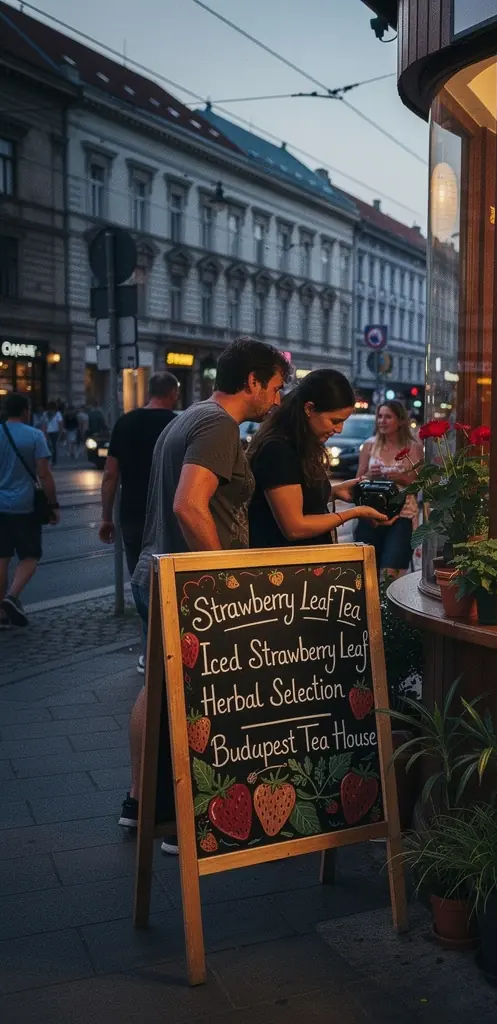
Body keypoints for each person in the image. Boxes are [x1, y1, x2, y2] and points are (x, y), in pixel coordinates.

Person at [119, 338, 290, 852]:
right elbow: (189, 505)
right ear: (253, 381)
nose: (277, 399)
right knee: (194, 701)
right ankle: (180, 821)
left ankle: (139, 804)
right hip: (191, 585)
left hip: (157, 572)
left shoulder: (190, 416)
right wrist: (222, 577)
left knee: (157, 688)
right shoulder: (218, 426)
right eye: (275, 387)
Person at [247, 368, 390, 548]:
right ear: (309, 409)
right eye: (335, 421)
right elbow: (295, 527)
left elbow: (299, 499)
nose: (339, 430)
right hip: (290, 561)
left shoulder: (298, 444)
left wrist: (334, 491)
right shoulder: (279, 450)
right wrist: (354, 513)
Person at [98, 371, 180, 672]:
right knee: (171, 584)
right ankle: (169, 651)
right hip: (169, 515)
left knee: (143, 583)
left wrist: (106, 517)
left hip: (132, 515)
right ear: (173, 393)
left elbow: (110, 475)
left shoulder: (125, 423)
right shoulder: (177, 424)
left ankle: (149, 651)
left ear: (150, 392)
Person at [0, 393, 59, 628]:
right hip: (25, 506)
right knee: (30, 556)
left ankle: (1, 613)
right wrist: (53, 504)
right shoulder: (34, 436)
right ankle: (11, 596)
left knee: (2, 557)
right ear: (26, 411)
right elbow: (44, 474)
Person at [354, 400, 423, 575]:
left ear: (400, 420)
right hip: (371, 513)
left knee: (391, 570)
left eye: (388, 417)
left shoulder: (413, 447)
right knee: (367, 569)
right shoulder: (369, 445)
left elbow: (419, 484)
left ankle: (388, 594)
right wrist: (370, 475)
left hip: (402, 513)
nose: (382, 421)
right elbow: (357, 482)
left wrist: (401, 478)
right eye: (380, 416)